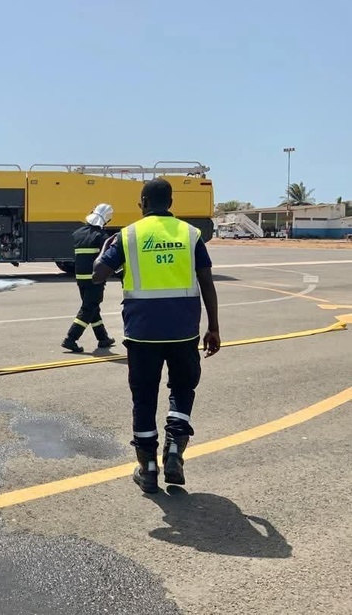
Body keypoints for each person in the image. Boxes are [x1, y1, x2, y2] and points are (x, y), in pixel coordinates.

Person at [92, 178, 220, 494]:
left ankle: (148, 468)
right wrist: (213, 327)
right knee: (183, 387)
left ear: (144, 203)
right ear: (171, 202)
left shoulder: (128, 236)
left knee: (144, 397)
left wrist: (105, 249)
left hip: (142, 333)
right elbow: (207, 283)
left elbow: (98, 274)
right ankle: (175, 450)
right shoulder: (191, 235)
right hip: (183, 332)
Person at [61, 203, 116, 353]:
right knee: (88, 308)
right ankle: (71, 338)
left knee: (93, 308)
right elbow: (106, 260)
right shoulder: (102, 237)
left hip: (80, 278)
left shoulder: (78, 233)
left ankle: (103, 338)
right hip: (95, 279)